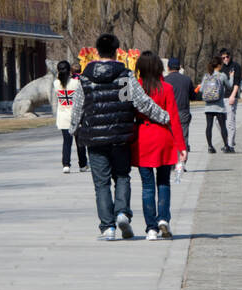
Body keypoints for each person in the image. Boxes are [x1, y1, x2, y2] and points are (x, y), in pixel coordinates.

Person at [69, 32, 171, 240]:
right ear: (116, 52)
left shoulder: (86, 77)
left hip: (95, 138)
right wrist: (164, 116)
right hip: (120, 136)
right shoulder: (124, 77)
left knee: (102, 183)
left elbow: (78, 106)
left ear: (97, 52)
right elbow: (139, 103)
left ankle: (108, 227)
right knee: (122, 176)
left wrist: (73, 129)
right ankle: (123, 212)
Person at [131, 51, 187, 239]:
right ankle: (163, 219)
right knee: (163, 182)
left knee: (147, 186)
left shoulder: (136, 88)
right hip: (163, 138)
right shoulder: (167, 88)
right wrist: (182, 146)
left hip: (143, 139)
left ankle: (151, 229)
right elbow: (174, 119)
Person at [54, 61, 88, 173]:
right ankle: (82, 164)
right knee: (80, 142)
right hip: (76, 116)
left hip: (63, 117)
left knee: (66, 142)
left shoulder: (56, 84)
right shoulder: (76, 83)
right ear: (70, 71)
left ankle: (66, 164)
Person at [164, 57, 195, 165]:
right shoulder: (187, 80)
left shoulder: (164, 80)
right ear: (179, 67)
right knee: (183, 137)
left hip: (169, 113)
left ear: (168, 68)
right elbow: (193, 96)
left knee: (170, 137)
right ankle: (182, 162)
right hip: (183, 112)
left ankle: (171, 162)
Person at [199, 56, 230, 153]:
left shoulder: (207, 76)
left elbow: (201, 90)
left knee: (209, 126)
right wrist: (232, 76)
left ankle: (210, 147)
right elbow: (229, 86)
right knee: (222, 126)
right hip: (219, 106)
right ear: (219, 65)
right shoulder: (222, 76)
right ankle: (226, 146)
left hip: (208, 106)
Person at [219, 47, 242, 153]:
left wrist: (233, 96)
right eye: (223, 58)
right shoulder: (220, 68)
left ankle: (230, 145)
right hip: (220, 98)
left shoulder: (236, 66)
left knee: (230, 121)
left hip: (231, 96)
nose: (225, 59)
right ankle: (227, 140)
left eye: (227, 57)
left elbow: (237, 83)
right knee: (218, 121)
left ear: (230, 56)